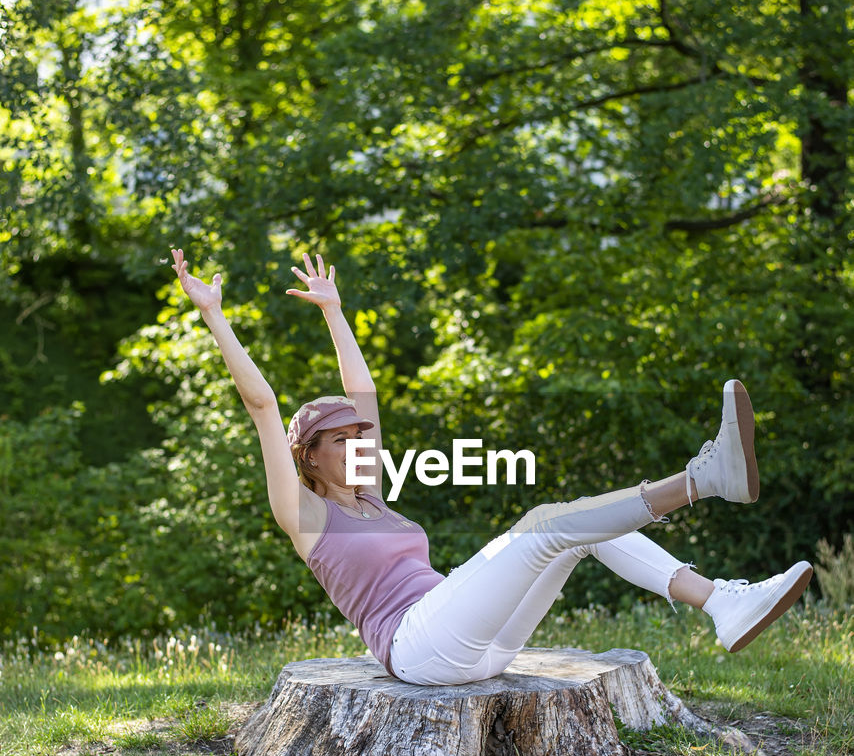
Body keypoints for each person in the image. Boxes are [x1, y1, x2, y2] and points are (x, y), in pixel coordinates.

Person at [171, 248, 813, 686]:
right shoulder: (305, 515)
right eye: (337, 439)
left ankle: (724, 603)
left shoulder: (369, 490)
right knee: (548, 522)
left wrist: (336, 314)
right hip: (416, 647)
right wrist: (214, 316)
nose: (355, 443)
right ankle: (702, 479)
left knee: (586, 526)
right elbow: (262, 404)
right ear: (308, 455)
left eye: (356, 435)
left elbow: (363, 393)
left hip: (477, 645)